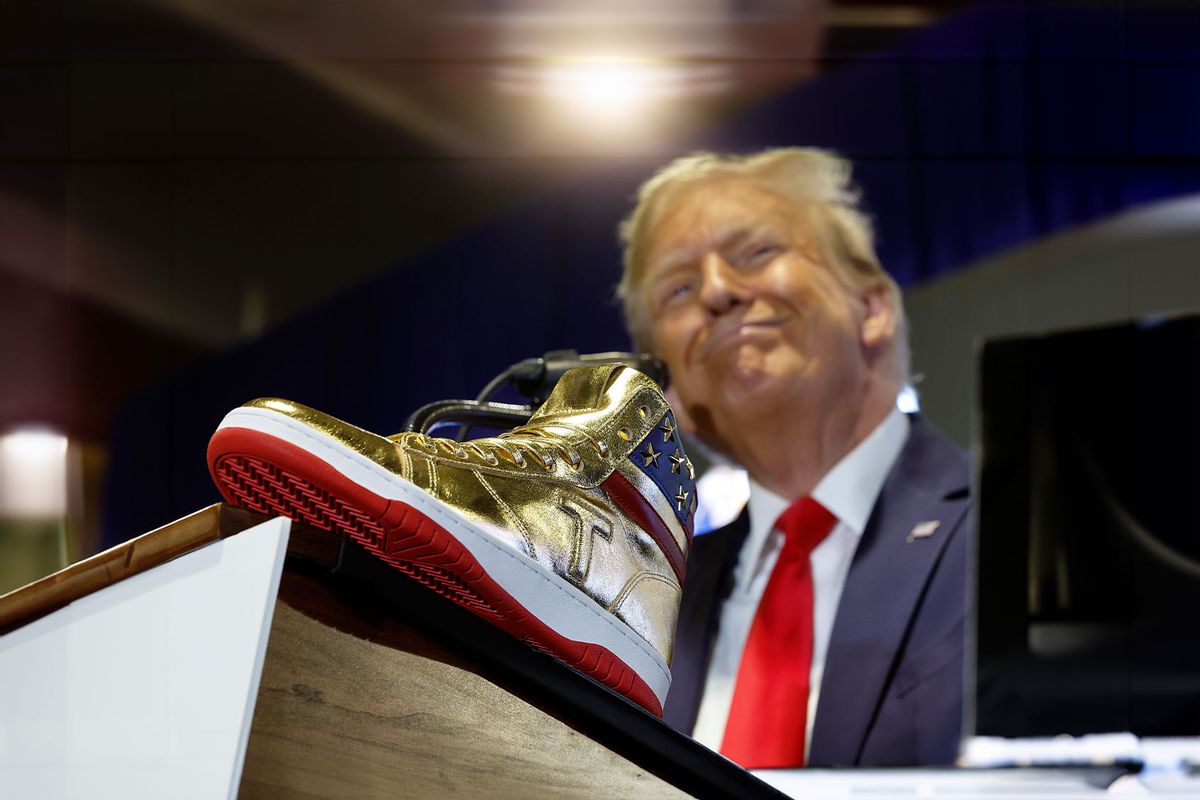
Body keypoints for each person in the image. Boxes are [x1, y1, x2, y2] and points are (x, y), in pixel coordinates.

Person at [616, 148, 971, 767]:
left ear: (872, 309)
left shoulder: (1025, 529)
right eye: (678, 289)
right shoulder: (642, 606)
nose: (718, 292)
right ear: (668, 387)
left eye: (757, 253)